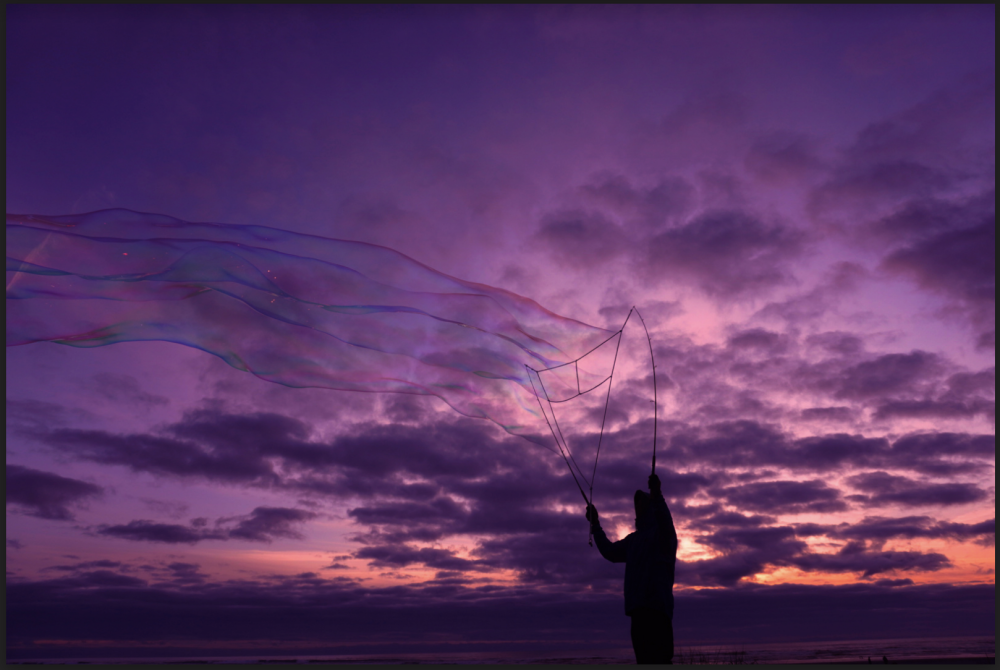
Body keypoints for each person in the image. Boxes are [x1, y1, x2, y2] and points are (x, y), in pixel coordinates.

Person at [586, 472, 677, 664]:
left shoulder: (663, 535)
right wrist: (595, 525)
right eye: (637, 503)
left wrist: (657, 493)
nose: (639, 505)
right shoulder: (632, 541)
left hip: (658, 611)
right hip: (638, 613)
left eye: (643, 501)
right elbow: (610, 552)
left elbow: (665, 521)